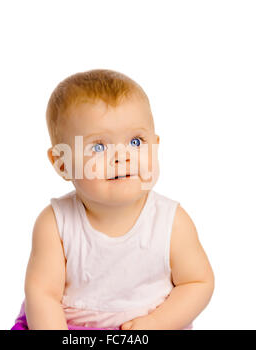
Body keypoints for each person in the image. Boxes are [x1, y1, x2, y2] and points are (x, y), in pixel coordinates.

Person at [11, 69, 214, 330]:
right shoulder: (54, 223)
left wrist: (157, 322)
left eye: (136, 141)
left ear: (155, 144)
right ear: (62, 164)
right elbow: (42, 295)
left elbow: (197, 283)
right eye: (99, 147)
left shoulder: (172, 222)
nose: (123, 156)